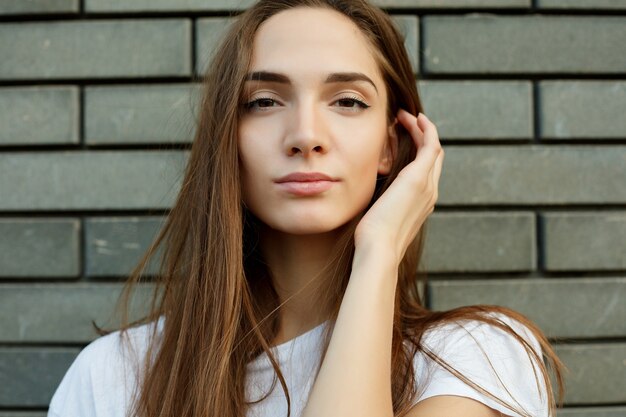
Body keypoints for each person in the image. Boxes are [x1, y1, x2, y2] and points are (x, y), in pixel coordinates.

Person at [48, 0, 564, 416]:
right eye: (265, 101)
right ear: (226, 138)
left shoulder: (476, 359)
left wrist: (379, 252)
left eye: (347, 101)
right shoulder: (112, 376)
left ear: (392, 146)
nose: (305, 137)